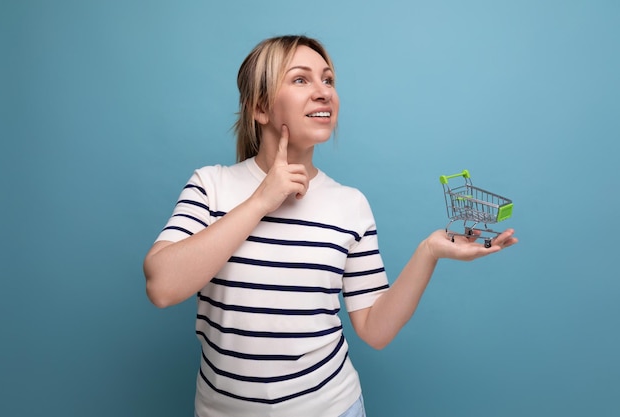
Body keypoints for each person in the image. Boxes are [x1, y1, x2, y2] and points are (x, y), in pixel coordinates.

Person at [143, 35, 518, 417]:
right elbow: (162, 286)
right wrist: (261, 201)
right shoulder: (211, 186)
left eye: (328, 80)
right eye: (301, 80)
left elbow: (375, 329)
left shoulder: (349, 205)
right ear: (260, 107)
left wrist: (429, 251)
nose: (323, 92)